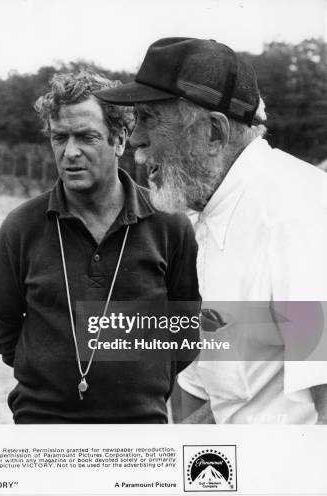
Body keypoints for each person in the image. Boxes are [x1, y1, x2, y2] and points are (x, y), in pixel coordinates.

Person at [94, 37, 327, 424]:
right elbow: (232, 400)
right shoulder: (209, 214)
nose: (135, 139)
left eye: (151, 119)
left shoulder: (293, 216)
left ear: (214, 134)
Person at [0, 71, 201, 424]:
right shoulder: (20, 226)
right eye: (60, 138)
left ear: (119, 140)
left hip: (139, 429)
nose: (70, 152)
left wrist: (142, 380)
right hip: (42, 427)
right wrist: (48, 373)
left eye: (86, 137)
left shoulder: (170, 225)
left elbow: (186, 330)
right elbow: (1, 329)